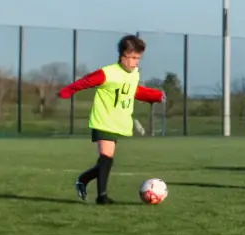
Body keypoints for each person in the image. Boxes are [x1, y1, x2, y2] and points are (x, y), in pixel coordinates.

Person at [59, 35, 166, 203]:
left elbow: (132, 91)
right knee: (106, 159)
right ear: (122, 56)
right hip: (103, 120)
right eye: (132, 58)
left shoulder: (134, 74)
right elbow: (86, 81)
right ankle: (102, 197)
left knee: (106, 162)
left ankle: (83, 179)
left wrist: (155, 95)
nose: (135, 62)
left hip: (118, 122)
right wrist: (67, 91)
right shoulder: (108, 73)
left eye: (138, 58)